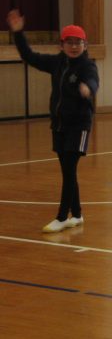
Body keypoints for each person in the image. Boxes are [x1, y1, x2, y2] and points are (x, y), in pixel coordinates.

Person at [7, 12, 99, 233]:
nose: (74, 46)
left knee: (69, 170)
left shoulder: (87, 66)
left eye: (78, 42)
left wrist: (88, 88)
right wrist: (18, 33)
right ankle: (77, 214)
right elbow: (29, 56)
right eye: (69, 42)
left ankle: (62, 217)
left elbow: (93, 80)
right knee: (68, 171)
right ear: (61, 45)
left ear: (85, 45)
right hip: (59, 125)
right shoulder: (57, 63)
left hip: (79, 126)